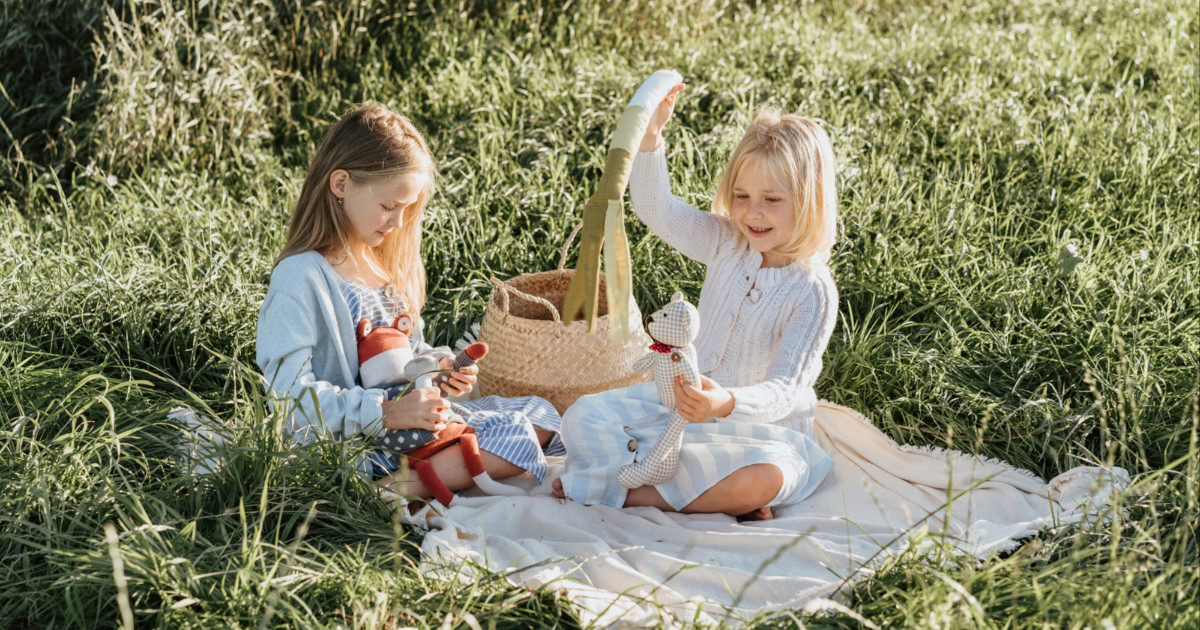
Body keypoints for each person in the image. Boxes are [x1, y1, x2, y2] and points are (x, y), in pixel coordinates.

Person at [553, 84, 839, 520]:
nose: (752, 214)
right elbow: (658, 211)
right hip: (684, 412)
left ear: (810, 201)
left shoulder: (811, 291)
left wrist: (725, 403)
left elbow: (786, 390)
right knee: (582, 415)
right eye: (742, 197)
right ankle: (697, 491)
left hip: (760, 434)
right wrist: (651, 139)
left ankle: (631, 494)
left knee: (763, 479)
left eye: (772, 200)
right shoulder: (727, 242)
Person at [256, 103, 562, 504]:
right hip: (355, 442)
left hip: (407, 429)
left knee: (542, 413)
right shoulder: (301, 277)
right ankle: (382, 493)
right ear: (340, 184)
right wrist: (384, 412)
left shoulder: (381, 267)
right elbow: (287, 397)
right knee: (517, 436)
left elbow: (409, 358)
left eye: (407, 209)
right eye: (388, 206)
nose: (398, 222)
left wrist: (439, 371)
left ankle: (426, 471)